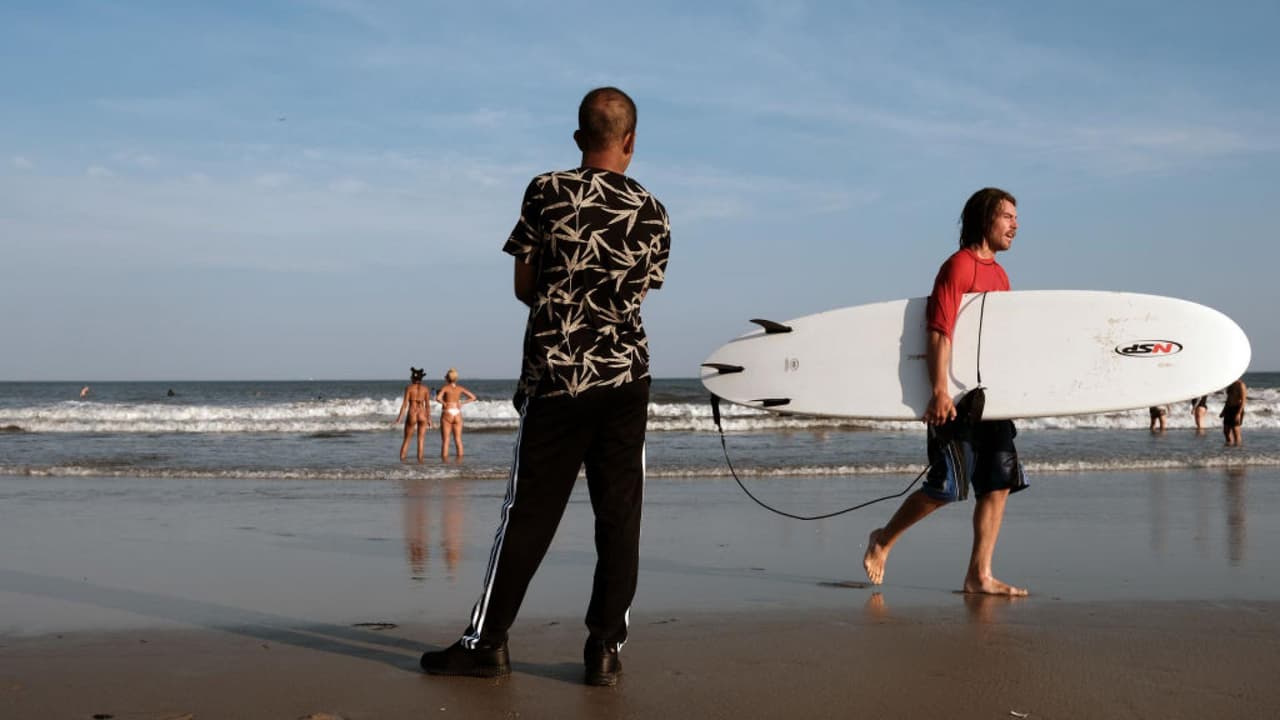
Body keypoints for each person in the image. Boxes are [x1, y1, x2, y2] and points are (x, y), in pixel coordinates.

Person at [420, 86, 670, 686]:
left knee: (527, 514)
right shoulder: (654, 211)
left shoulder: (546, 190)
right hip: (625, 378)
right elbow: (634, 295)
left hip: (558, 375)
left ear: (579, 138)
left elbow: (522, 284)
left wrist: (561, 303)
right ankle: (604, 651)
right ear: (631, 141)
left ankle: (488, 643)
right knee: (619, 517)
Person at [862, 187, 1029, 596]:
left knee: (999, 481)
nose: (1015, 224)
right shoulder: (959, 267)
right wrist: (938, 390)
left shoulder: (1001, 275)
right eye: (1007, 216)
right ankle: (883, 539)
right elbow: (939, 330)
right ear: (984, 218)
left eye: (1015, 217)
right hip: (954, 397)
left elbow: (995, 343)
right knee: (948, 486)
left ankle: (979, 575)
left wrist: (1015, 396)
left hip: (990, 399)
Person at [435, 368, 477, 460]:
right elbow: (473, 397)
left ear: (447, 378)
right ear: (456, 379)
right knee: (458, 440)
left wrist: (444, 403)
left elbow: (438, 398)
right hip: (457, 413)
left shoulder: (445, 388)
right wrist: (462, 403)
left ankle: (445, 462)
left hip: (447, 412)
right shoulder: (460, 388)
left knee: (446, 441)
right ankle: (460, 461)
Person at [394, 367, 433, 462]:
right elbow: (427, 405)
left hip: (412, 412)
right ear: (421, 379)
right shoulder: (426, 389)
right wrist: (429, 419)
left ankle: (402, 461)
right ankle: (420, 463)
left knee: (407, 439)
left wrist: (399, 418)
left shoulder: (409, 388)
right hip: (422, 413)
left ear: (412, 378)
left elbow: (404, 404)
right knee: (421, 440)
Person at [1221, 379, 1247, 446]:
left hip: (1237, 409)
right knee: (1226, 431)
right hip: (1228, 408)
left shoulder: (1241, 385)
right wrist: (1223, 410)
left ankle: (1237, 450)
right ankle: (1229, 447)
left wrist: (1238, 414)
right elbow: (1228, 398)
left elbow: (1243, 401)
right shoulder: (1230, 384)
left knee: (1236, 431)